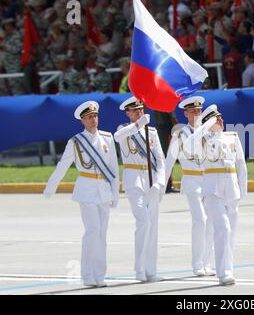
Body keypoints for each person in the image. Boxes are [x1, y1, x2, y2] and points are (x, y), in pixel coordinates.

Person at [43, 101, 120, 287]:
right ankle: (87, 274)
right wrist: (50, 187)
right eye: (89, 117)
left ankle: (100, 274)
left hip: (104, 190)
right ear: (82, 121)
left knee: (102, 234)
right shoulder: (76, 142)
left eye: (95, 116)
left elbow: (114, 168)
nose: (93, 119)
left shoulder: (107, 138)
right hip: (86, 189)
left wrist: (115, 193)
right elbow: (63, 165)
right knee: (92, 231)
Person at [186, 104, 248, 285]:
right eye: (216, 118)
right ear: (208, 123)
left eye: (220, 117)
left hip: (231, 190)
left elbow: (241, 164)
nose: (220, 120)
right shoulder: (201, 139)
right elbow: (188, 147)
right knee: (223, 229)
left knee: (231, 233)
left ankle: (229, 267)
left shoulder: (232, 137)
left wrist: (242, 190)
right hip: (213, 191)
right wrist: (204, 126)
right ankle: (224, 273)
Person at [113, 96, 166, 282]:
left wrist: (160, 183)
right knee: (143, 222)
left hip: (151, 181)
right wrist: (137, 125)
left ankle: (151, 269)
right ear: (128, 113)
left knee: (153, 226)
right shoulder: (124, 131)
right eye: (134, 110)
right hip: (134, 180)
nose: (139, 112)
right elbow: (117, 137)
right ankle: (139, 268)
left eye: (141, 109)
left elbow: (160, 159)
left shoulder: (151, 132)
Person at [164, 96, 215, 277]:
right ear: (185, 113)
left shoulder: (209, 131)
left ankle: (206, 262)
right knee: (199, 220)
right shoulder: (180, 133)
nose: (196, 114)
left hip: (209, 181)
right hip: (192, 181)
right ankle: (197, 264)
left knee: (210, 223)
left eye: (199, 111)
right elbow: (170, 159)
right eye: (192, 111)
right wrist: (162, 184)